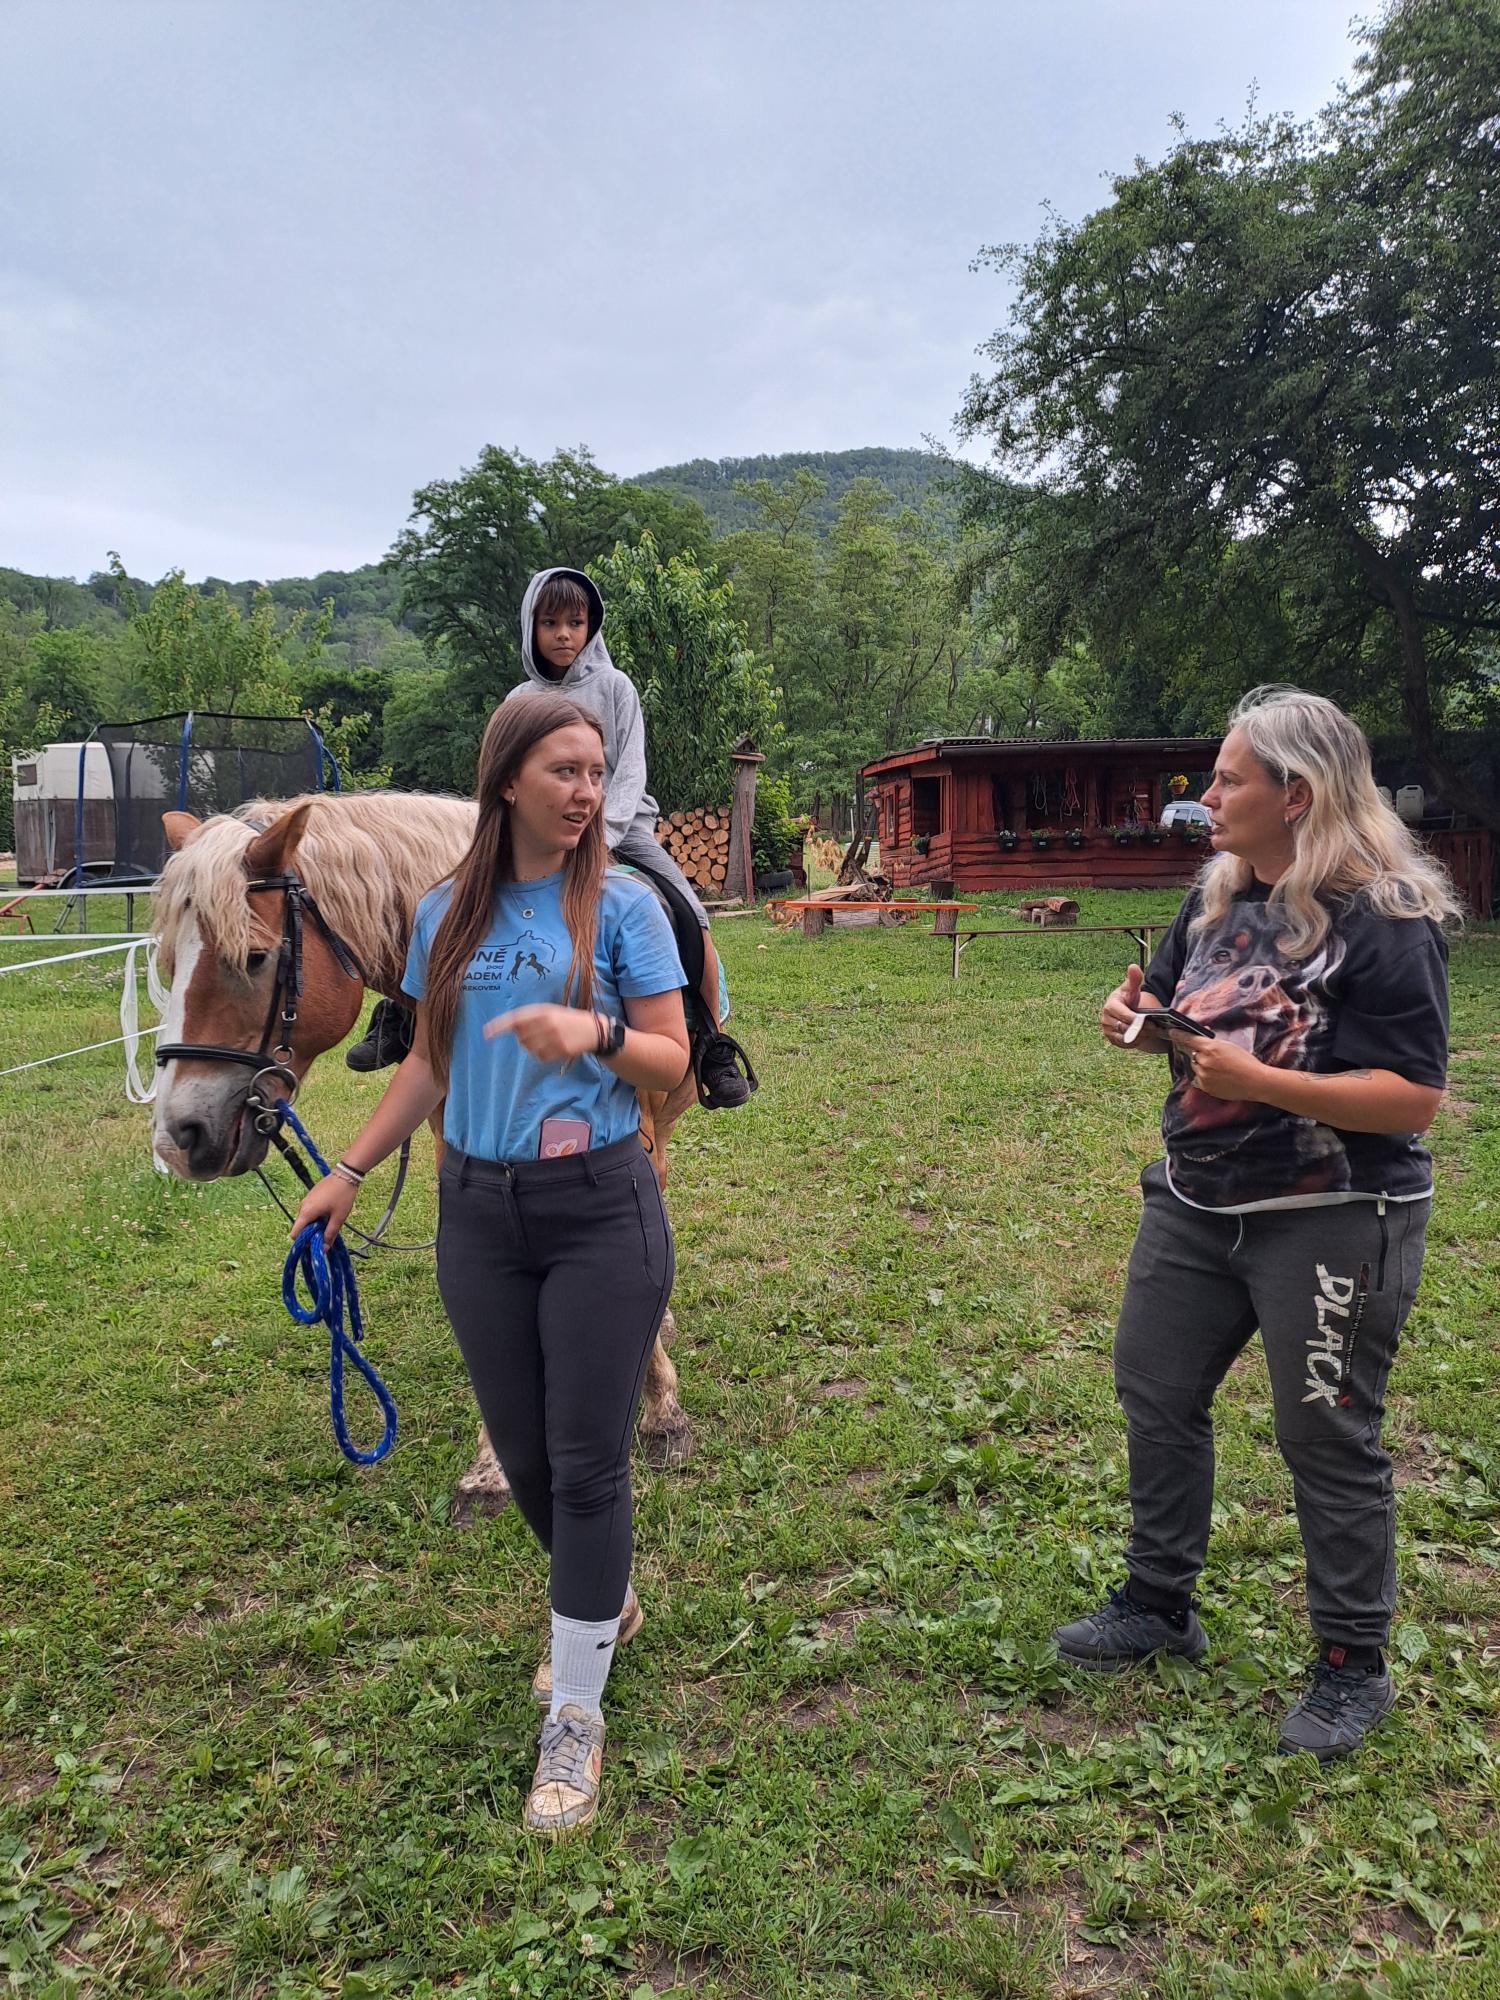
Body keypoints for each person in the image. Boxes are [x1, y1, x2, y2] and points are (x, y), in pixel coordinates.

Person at [292, 692, 689, 1835]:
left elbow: (670, 1059)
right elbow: (428, 1059)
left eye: (596, 770)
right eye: (564, 769)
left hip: (599, 1208)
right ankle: (603, 1598)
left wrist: (595, 1033)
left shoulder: (623, 906)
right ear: (507, 777)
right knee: (522, 1455)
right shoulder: (445, 912)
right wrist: (350, 1168)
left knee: (587, 1460)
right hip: (476, 1211)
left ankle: (575, 1711)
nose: (586, 790)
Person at [1054, 685, 1458, 1763]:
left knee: (1324, 1431)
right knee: (1155, 1390)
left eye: (1228, 779)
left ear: (1298, 793)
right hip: (1196, 1202)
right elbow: (1180, 1021)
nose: (1208, 794)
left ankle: (1351, 1663)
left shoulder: (1386, 916)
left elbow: (1413, 1099)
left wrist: (1263, 1083)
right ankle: (1159, 1602)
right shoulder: (1219, 892)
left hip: (1332, 1215)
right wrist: (1140, 1024)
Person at [348, 567, 753, 1110]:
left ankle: (713, 1045)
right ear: (530, 627)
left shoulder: (616, 687)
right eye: (550, 622)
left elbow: (629, 772)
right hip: (531, 827)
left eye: (575, 623)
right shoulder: (519, 698)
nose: (564, 634)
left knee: (687, 911)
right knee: (445, 895)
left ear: (592, 626)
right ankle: (406, 1013)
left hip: (621, 826)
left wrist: (603, 836)